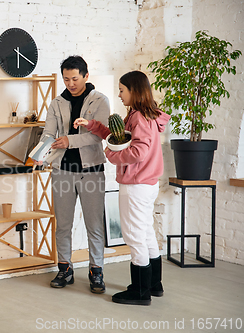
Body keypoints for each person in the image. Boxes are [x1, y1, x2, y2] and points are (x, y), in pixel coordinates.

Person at [74, 70, 170, 306]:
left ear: (134, 91)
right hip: (146, 184)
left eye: (122, 90)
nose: (119, 94)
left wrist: (110, 155)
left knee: (134, 236)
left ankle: (140, 292)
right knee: (146, 233)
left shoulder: (138, 117)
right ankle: (152, 285)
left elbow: (137, 152)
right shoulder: (145, 115)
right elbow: (120, 138)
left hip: (137, 184)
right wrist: (94, 125)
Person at [33, 55, 109, 293]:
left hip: (92, 171)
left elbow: (99, 135)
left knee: (94, 224)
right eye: (66, 79)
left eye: (74, 78)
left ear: (86, 76)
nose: (70, 84)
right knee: (63, 224)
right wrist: (39, 153)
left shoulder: (100, 100)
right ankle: (64, 268)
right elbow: (48, 133)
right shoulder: (56, 102)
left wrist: (69, 141)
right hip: (62, 170)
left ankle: (96, 271)